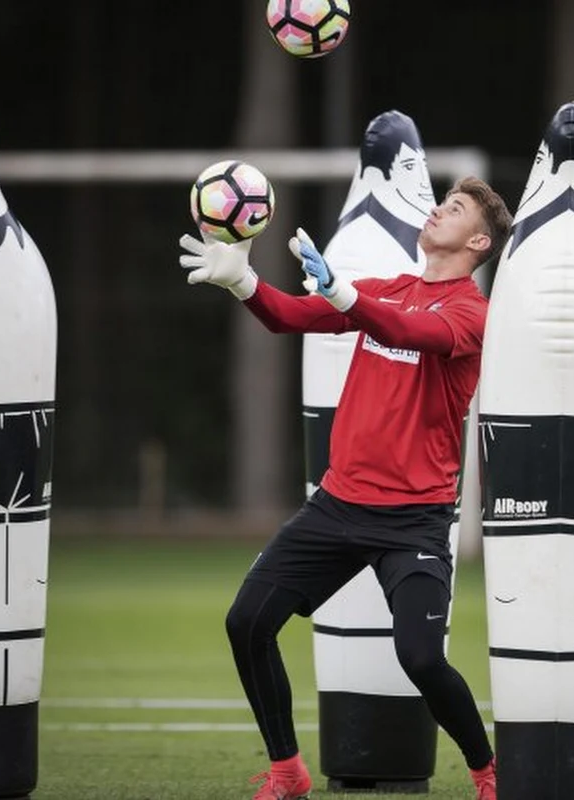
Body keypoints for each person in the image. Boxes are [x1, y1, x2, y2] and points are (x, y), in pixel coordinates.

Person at [178, 176, 513, 800]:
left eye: (455, 207)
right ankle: (287, 771)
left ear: (477, 240)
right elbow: (286, 318)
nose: (437, 208)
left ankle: (487, 771)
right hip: (336, 507)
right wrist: (243, 282)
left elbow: (407, 334)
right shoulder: (388, 290)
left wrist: (344, 293)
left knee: (420, 658)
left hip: (413, 520)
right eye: (441, 199)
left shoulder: (473, 313)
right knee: (246, 623)